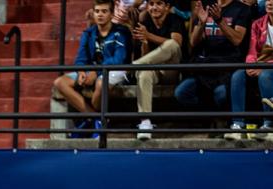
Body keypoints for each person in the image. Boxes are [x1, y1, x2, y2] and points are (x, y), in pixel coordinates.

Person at [174, 0, 251, 140]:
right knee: (182, 93)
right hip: (208, 66)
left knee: (220, 94)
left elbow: (237, 39)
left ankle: (222, 121)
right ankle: (214, 117)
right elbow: (193, 42)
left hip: (229, 65)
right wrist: (202, 23)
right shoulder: (207, 6)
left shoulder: (242, 9)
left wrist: (219, 20)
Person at [53, 0, 131, 138]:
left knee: (100, 84)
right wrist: (82, 71)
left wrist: (96, 72)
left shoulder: (121, 32)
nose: (100, 15)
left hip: (117, 70)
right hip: (94, 71)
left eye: (104, 11)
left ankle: (91, 120)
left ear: (112, 14)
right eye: (97, 11)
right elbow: (81, 57)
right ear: (93, 13)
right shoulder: (88, 33)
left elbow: (119, 59)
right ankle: (97, 118)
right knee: (60, 82)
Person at [130, 0, 186, 139]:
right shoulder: (145, 24)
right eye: (151, 3)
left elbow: (177, 43)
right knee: (143, 74)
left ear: (167, 7)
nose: (154, 7)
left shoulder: (175, 20)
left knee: (171, 44)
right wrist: (144, 42)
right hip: (152, 68)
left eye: (159, 3)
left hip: (171, 69)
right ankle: (145, 122)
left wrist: (149, 35)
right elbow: (145, 55)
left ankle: (132, 67)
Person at [229, 0, 273, 141]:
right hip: (261, 63)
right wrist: (251, 65)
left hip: (268, 67)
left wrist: (264, 66)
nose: (270, 2)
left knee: (265, 76)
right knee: (238, 75)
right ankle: (238, 125)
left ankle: (268, 124)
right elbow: (252, 50)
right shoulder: (258, 23)